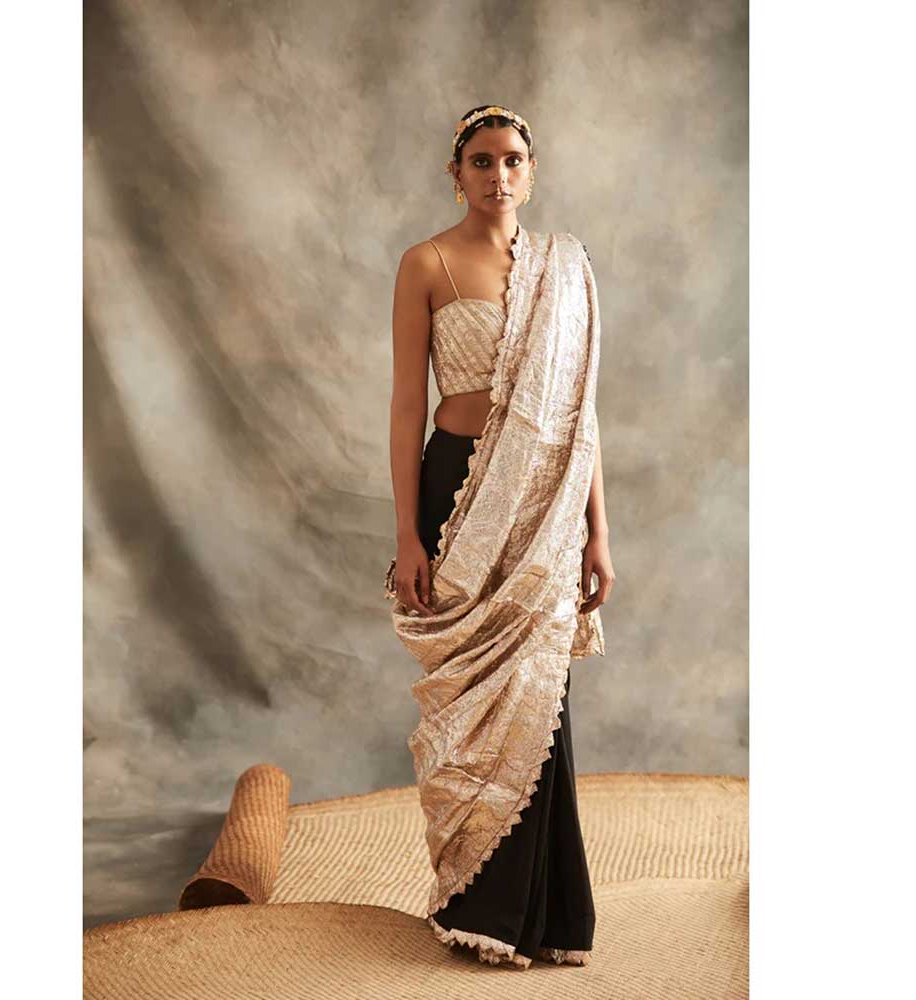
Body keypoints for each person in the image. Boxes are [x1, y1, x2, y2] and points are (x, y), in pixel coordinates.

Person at [384, 105, 616, 969]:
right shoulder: (427, 263)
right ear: (457, 175)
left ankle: (548, 915)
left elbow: (581, 415)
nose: (498, 175)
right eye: (481, 161)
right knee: (472, 701)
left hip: (546, 500)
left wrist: (598, 533)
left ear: (532, 170)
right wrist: (407, 535)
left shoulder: (566, 268)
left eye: (513, 159)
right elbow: (407, 406)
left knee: (540, 693)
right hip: (457, 490)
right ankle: (476, 901)